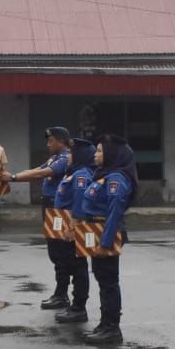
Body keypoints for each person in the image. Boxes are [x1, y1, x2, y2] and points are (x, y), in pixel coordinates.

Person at [75, 134, 137, 346]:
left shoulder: (116, 179)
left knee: (109, 281)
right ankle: (105, 323)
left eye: (100, 151)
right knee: (103, 279)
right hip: (96, 231)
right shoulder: (104, 175)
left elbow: (114, 213)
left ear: (112, 154)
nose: (96, 154)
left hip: (106, 233)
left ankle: (112, 328)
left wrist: (106, 242)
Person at [9, 127, 76, 308]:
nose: (47, 144)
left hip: (58, 208)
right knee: (53, 249)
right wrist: (11, 177)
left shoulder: (64, 158)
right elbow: (36, 170)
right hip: (49, 207)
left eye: (50, 141)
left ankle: (62, 294)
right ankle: (60, 292)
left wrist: (13, 177)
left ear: (60, 141)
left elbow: (41, 174)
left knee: (59, 250)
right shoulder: (54, 157)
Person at [53, 136, 95, 325]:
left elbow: (79, 202)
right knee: (72, 264)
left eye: (71, 152)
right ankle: (75, 305)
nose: (68, 155)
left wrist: (72, 227)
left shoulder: (81, 175)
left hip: (74, 225)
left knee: (78, 266)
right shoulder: (75, 172)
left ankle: (79, 307)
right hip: (66, 222)